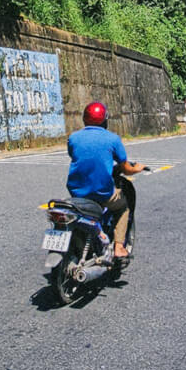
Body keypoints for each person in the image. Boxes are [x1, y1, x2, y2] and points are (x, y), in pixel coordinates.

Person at [66, 101, 146, 259]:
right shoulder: (113, 139)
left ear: (84, 119)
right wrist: (137, 168)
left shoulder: (73, 138)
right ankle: (119, 246)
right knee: (123, 207)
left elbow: (76, 156)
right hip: (102, 194)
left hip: (77, 194)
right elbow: (125, 168)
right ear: (105, 120)